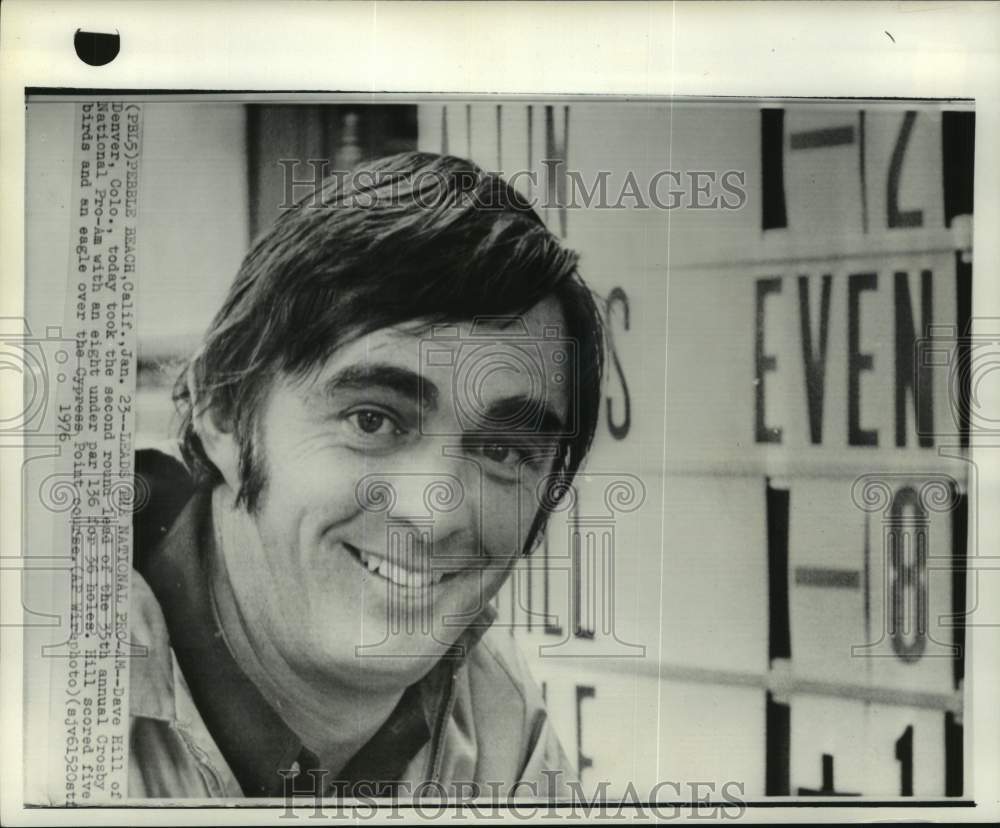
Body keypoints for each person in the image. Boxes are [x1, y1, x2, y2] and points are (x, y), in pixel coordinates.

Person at [128, 151, 605, 800]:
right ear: (226, 411)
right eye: (373, 420)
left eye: (502, 450)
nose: (434, 516)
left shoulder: (496, 715)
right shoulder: (44, 684)